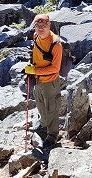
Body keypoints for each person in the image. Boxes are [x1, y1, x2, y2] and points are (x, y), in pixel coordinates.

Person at [24, 13, 63, 148]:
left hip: (50, 81)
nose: (40, 28)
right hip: (38, 80)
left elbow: (55, 68)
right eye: (37, 25)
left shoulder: (56, 43)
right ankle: (43, 125)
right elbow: (34, 55)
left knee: (51, 108)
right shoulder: (36, 37)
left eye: (43, 25)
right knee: (40, 105)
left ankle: (52, 136)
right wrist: (30, 67)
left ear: (49, 25)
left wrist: (35, 71)